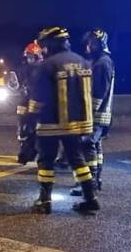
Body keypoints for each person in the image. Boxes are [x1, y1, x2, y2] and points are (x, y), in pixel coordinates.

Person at [27, 26, 100, 215]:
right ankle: (91, 198)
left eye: (44, 46)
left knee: (46, 162)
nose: (43, 50)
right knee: (78, 160)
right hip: (77, 124)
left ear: (51, 44)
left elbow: (37, 99)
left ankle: (44, 201)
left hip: (50, 123)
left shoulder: (47, 65)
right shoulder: (83, 62)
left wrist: (29, 124)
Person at [72, 29, 115, 194]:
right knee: (95, 146)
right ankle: (95, 181)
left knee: (87, 144)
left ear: (100, 44)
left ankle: (89, 184)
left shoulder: (103, 63)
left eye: (92, 42)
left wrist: (87, 113)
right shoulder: (100, 61)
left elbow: (98, 92)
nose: (89, 45)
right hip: (99, 114)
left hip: (96, 114)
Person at [16, 41, 43, 164]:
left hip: (36, 106)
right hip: (24, 103)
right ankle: (25, 152)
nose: (29, 59)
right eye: (28, 57)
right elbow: (18, 84)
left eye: (32, 57)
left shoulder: (42, 69)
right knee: (23, 130)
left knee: (34, 131)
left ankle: (29, 153)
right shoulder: (24, 68)